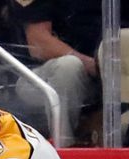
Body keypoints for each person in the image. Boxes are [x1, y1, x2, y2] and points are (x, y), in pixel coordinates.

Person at [11, 0, 102, 147]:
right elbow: (38, 42)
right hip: (37, 78)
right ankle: (64, 148)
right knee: (69, 66)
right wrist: (92, 65)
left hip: (107, 76)